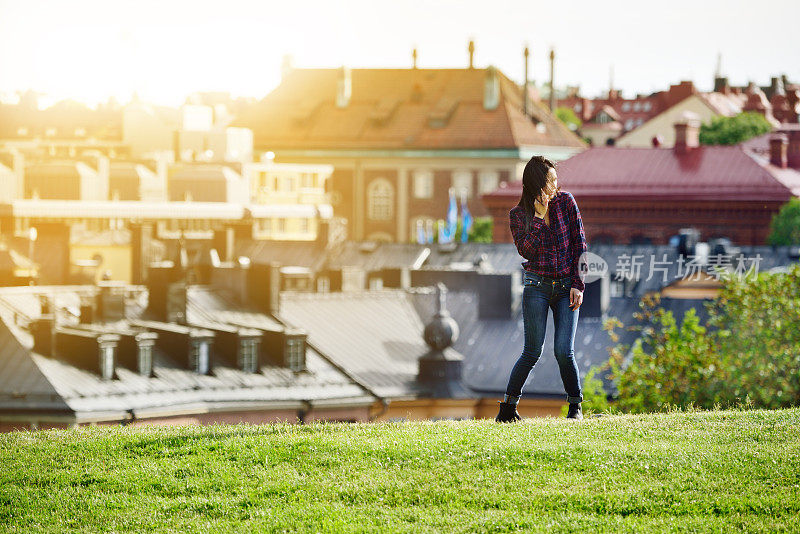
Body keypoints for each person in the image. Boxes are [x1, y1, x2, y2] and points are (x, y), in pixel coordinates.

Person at [495, 155, 588, 422]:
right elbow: (526, 250)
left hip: (567, 287)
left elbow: (580, 245)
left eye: (557, 181)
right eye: (551, 182)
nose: (556, 187)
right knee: (532, 351)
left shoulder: (567, 203)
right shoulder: (517, 215)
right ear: (537, 184)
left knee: (563, 350)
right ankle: (508, 408)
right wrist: (538, 217)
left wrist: (578, 284)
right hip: (536, 285)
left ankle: (575, 406)